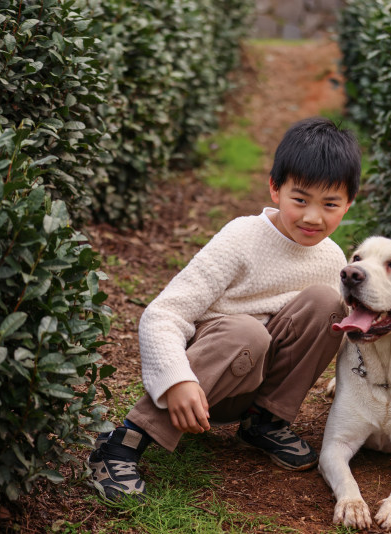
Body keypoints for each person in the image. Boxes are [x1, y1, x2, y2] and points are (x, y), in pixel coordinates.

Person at [87, 117, 363, 501]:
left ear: (349, 204)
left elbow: (362, 312)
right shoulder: (241, 239)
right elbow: (163, 313)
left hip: (255, 381)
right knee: (247, 331)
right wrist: (176, 380)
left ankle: (264, 422)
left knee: (328, 303)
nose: (313, 217)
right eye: (300, 199)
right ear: (275, 188)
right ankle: (122, 442)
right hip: (203, 383)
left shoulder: (331, 256)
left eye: (330, 204)